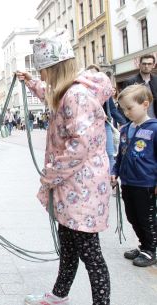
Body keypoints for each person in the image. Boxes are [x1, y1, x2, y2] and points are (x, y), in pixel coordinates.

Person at [16, 30, 112, 305]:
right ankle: (60, 294)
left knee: (90, 254)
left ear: (55, 68)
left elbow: (79, 145)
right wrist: (30, 82)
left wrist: (49, 174)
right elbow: (49, 93)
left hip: (82, 187)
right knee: (68, 245)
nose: (42, 76)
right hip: (73, 186)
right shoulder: (67, 92)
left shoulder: (76, 96)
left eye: (44, 71)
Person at [111, 84, 157, 267]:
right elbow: (119, 156)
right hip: (128, 182)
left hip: (146, 183)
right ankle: (143, 245)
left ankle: (151, 249)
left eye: (130, 108)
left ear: (145, 104)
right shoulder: (124, 130)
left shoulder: (154, 129)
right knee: (132, 216)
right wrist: (114, 173)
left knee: (147, 218)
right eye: (123, 109)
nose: (126, 112)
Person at [87, 65, 128, 174]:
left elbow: (113, 110)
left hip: (105, 125)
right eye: (90, 73)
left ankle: (111, 179)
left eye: (96, 74)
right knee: (93, 155)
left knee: (110, 153)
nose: (93, 76)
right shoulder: (83, 92)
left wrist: (123, 122)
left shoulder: (105, 91)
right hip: (90, 127)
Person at [120, 54, 157, 118]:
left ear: (153, 65)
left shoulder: (156, 80)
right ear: (139, 65)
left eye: (149, 64)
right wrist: (124, 122)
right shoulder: (130, 82)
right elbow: (122, 103)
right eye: (144, 64)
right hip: (137, 120)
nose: (146, 66)